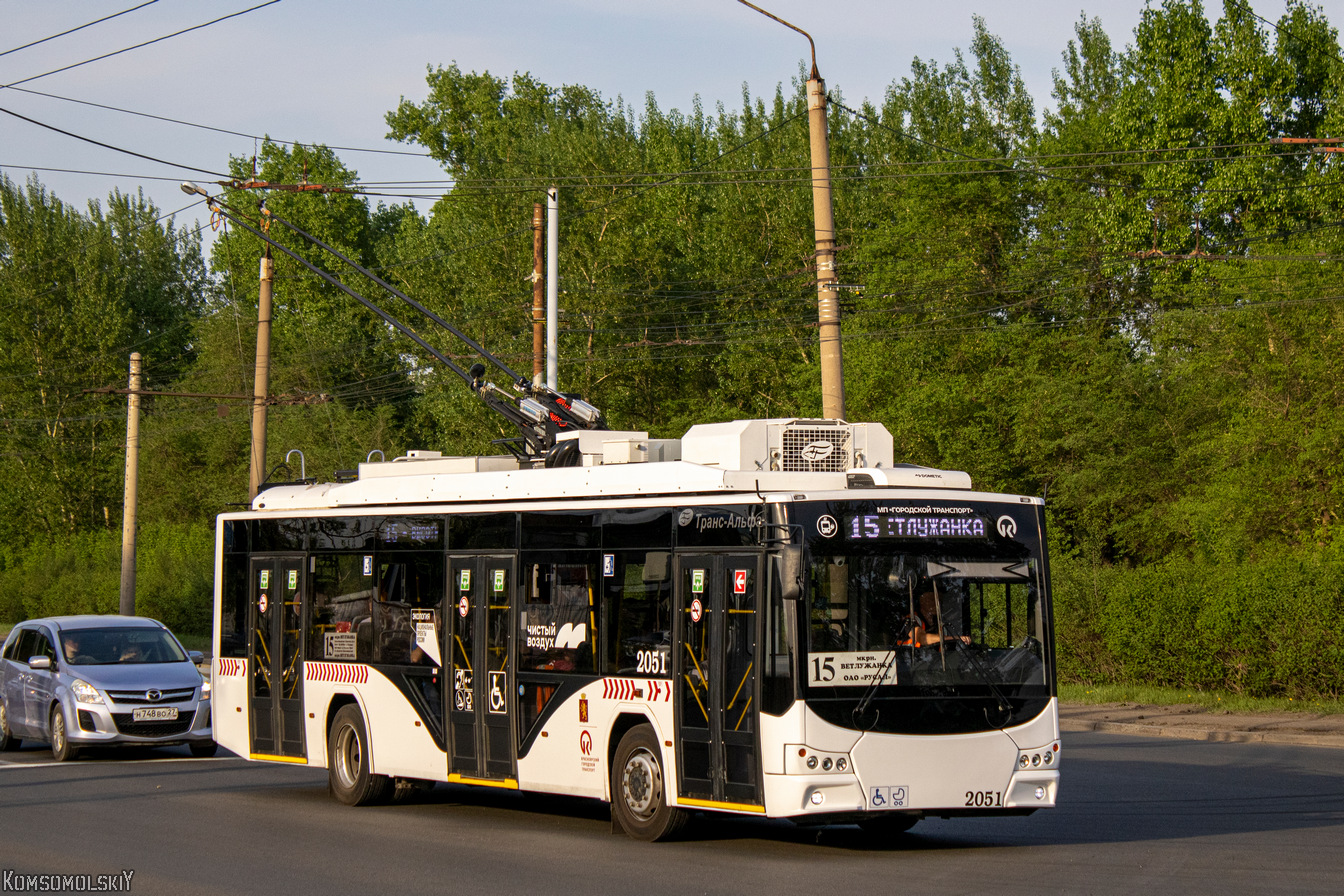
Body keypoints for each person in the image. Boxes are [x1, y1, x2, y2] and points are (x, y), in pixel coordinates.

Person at [898, 591, 970, 648]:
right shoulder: (909, 620)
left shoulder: (942, 624)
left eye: (939, 600)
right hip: (907, 660)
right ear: (922, 601)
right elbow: (922, 638)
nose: (937, 603)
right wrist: (956, 638)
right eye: (932, 600)